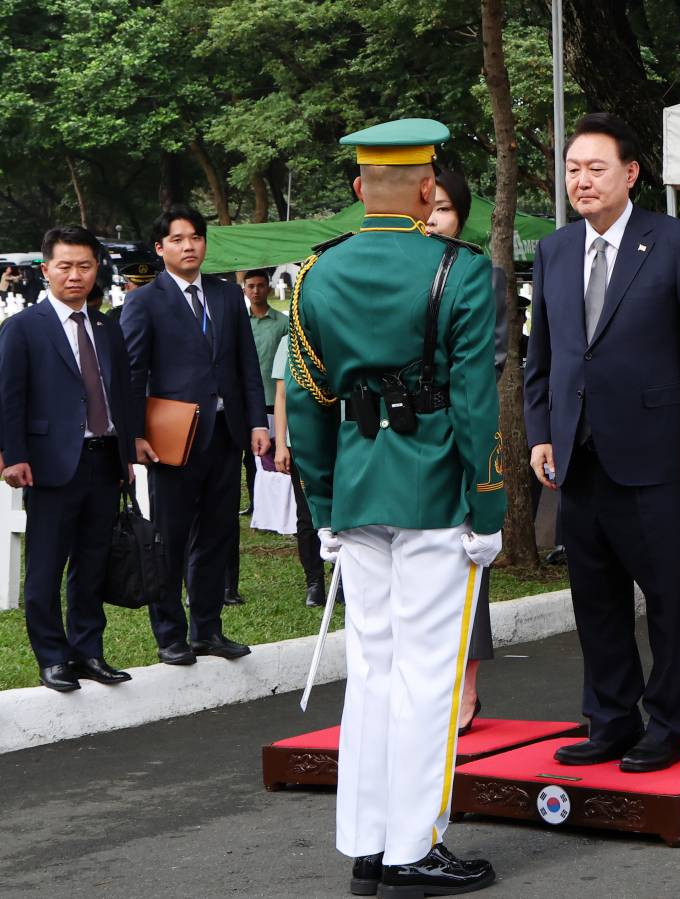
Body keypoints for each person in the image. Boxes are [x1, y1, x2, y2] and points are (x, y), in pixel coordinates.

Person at [287, 119, 505, 894]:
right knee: (428, 676)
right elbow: (478, 403)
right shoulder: (461, 269)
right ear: (425, 189)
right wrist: (489, 506)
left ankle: (367, 843)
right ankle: (415, 846)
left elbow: (307, 405)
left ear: (357, 188)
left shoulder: (316, 273)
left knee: (373, 668)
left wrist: (322, 506)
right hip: (435, 490)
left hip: (355, 488)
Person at [524, 113, 680, 774]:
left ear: (630, 172)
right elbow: (542, 358)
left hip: (657, 449)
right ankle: (610, 718)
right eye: (573, 168)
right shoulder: (554, 250)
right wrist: (538, 435)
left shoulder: (674, 243)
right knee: (597, 597)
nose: (581, 180)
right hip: (576, 455)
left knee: (668, 595)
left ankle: (667, 723)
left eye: (595, 168)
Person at [121, 204, 270, 665]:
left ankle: (208, 629)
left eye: (197, 237)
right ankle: (170, 634)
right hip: (172, 440)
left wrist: (258, 423)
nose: (189, 246)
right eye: (179, 239)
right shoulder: (145, 300)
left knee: (218, 535)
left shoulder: (227, 296)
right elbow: (131, 374)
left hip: (227, 433)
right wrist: (134, 437)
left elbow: (246, 362)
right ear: (160, 247)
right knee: (169, 535)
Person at [0, 226, 137, 692]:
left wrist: (126, 454)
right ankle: (53, 657)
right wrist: (13, 456)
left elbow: (120, 393)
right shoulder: (22, 328)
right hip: (50, 463)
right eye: (65, 266)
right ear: (46, 270)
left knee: (93, 561)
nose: (75, 275)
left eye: (84, 265)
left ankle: (88, 651)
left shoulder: (105, 326)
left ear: (96, 269)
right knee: (46, 564)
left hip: (104, 459)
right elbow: (9, 398)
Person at [424, 162, 509, 732]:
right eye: (424, 208)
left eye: (444, 210)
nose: (432, 220)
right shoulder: (392, 268)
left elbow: (491, 357)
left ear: (462, 216)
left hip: (460, 432)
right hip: (400, 442)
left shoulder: (480, 273)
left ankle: (467, 688)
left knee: (464, 554)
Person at [225, 269, 290, 605]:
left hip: (271, 402)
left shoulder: (281, 323)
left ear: (268, 287)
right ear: (243, 288)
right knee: (240, 458)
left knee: (263, 464)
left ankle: (262, 509)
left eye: (261, 285)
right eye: (250, 286)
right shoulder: (239, 321)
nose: (256, 290)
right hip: (243, 403)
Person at [269, 335, 326, 608]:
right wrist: (280, 444)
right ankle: (314, 582)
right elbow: (281, 396)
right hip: (301, 441)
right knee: (306, 515)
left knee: (345, 513)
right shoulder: (289, 341)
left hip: (343, 437)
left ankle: (344, 580)